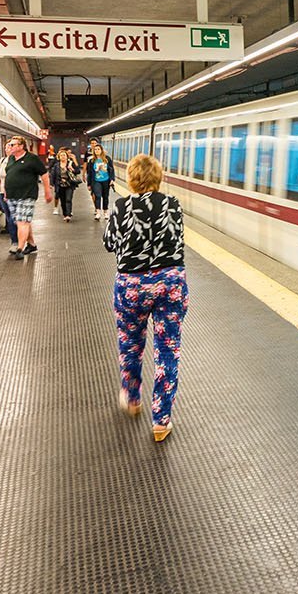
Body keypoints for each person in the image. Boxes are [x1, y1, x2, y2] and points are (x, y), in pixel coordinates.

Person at [103, 153, 187, 442]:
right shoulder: (173, 204)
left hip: (132, 286)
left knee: (131, 345)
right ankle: (161, 421)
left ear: (131, 179)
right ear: (158, 178)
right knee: (168, 351)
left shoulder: (121, 206)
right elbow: (178, 239)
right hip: (170, 283)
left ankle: (132, 398)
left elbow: (109, 243)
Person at [0, 135, 46, 258]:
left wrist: (47, 191)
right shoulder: (10, 159)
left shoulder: (32, 159)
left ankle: (19, 249)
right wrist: (6, 192)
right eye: (9, 145)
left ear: (21, 146)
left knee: (22, 222)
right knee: (21, 221)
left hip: (27, 195)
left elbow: (44, 174)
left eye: (12, 145)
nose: (10, 147)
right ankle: (31, 244)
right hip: (11, 196)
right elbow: (8, 176)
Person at [85, 140, 115, 220]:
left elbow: (111, 170)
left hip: (106, 180)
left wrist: (112, 179)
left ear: (101, 150)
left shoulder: (107, 159)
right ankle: (98, 212)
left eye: (98, 149)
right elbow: (89, 173)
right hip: (96, 181)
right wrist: (89, 184)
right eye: (95, 149)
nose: (97, 151)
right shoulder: (92, 161)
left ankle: (105, 212)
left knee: (105, 196)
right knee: (97, 196)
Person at [53, 148, 82, 222]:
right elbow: (53, 175)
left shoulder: (70, 163)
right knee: (63, 200)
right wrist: (51, 184)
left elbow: (78, 171)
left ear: (67, 156)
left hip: (69, 184)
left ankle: (68, 215)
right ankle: (65, 214)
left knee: (68, 199)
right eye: (61, 155)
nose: (63, 157)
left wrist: (72, 169)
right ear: (59, 157)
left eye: (64, 155)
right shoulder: (56, 165)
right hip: (60, 185)